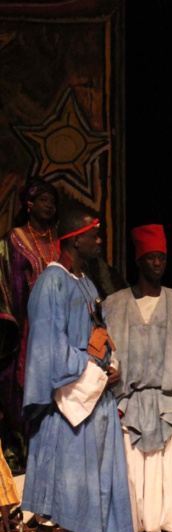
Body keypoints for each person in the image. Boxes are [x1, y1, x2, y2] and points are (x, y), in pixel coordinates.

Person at [20, 209, 132, 532]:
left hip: (93, 394)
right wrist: (91, 367)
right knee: (60, 475)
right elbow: (48, 345)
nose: (99, 241)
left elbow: (96, 333)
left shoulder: (85, 282)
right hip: (66, 398)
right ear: (74, 239)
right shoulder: (52, 281)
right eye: (94, 235)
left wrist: (109, 363)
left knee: (91, 475)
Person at [103, 224, 172, 532]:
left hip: (170, 402)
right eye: (151, 258)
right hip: (129, 402)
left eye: (162, 257)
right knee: (131, 475)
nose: (158, 264)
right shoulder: (115, 305)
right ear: (139, 261)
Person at [0, 176, 60, 469]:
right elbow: (6, 283)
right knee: (19, 401)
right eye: (44, 200)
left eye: (53, 201)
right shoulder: (14, 239)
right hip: (24, 331)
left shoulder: (58, 241)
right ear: (30, 203)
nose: (49, 206)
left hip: (56, 332)